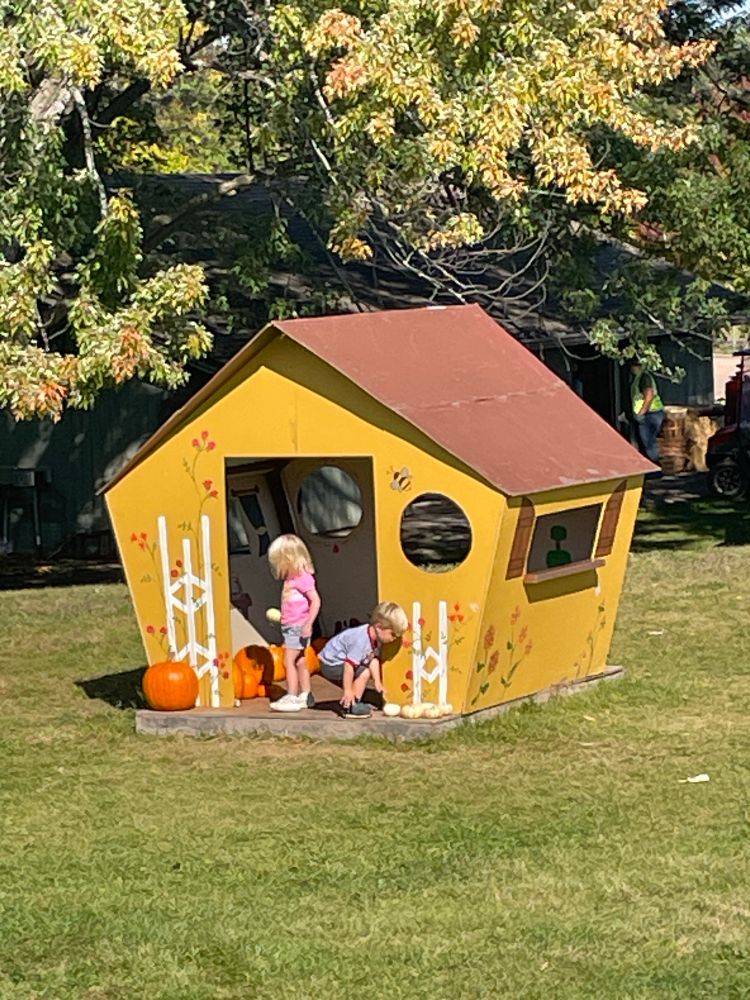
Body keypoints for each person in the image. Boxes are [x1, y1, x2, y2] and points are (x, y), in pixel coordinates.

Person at [318, 601, 409, 718]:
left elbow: (373, 659)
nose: (394, 639)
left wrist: (377, 681)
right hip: (330, 663)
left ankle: (354, 702)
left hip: (341, 662)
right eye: (393, 634)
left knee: (365, 671)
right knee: (364, 672)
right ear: (379, 627)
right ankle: (350, 706)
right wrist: (348, 690)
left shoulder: (376, 639)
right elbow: (348, 666)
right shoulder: (361, 640)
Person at [267, 534, 321, 713]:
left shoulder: (302, 578)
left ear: (288, 559)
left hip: (298, 626)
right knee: (300, 661)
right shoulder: (290, 580)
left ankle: (292, 694)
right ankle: (306, 694)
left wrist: (308, 623)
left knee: (287, 660)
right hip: (291, 625)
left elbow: (315, 600)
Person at [629, 358, 665, 464]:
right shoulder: (638, 378)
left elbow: (649, 395)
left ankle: (654, 469)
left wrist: (641, 413)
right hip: (649, 413)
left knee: (649, 442)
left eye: (633, 366)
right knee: (646, 442)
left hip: (650, 414)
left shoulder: (644, 377)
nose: (631, 369)